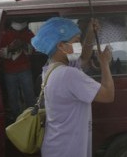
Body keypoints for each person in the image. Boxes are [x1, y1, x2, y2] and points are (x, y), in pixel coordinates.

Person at [31, 17, 114, 157]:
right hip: (67, 149)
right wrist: (105, 64)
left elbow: (83, 59)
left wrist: (89, 35)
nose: (79, 46)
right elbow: (108, 95)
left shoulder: (51, 68)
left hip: (56, 145)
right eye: (76, 41)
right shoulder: (69, 75)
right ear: (61, 46)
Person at [0, 19, 36, 122]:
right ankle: (17, 119)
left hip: (25, 69)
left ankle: (32, 118)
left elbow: (33, 50)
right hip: (9, 71)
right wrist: (10, 48)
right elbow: (0, 53)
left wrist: (23, 44)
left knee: (29, 94)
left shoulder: (28, 34)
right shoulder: (4, 35)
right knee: (13, 96)